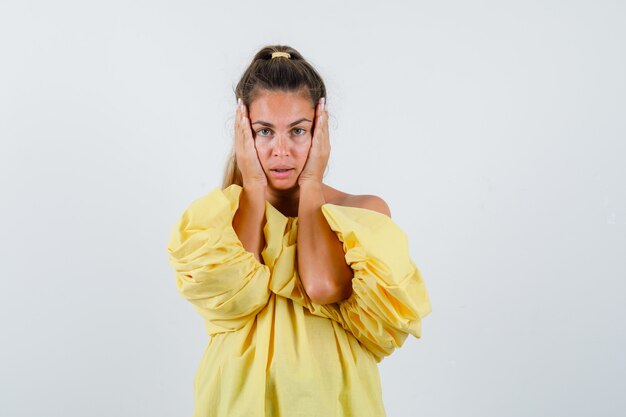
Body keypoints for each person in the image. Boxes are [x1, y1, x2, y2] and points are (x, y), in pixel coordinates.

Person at [166, 45, 431, 417]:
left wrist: (312, 184)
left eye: (298, 131)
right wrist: (253, 186)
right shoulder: (216, 223)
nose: (281, 150)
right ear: (245, 133)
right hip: (237, 402)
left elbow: (322, 287)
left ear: (320, 133)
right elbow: (237, 295)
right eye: (264, 131)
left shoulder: (362, 214)